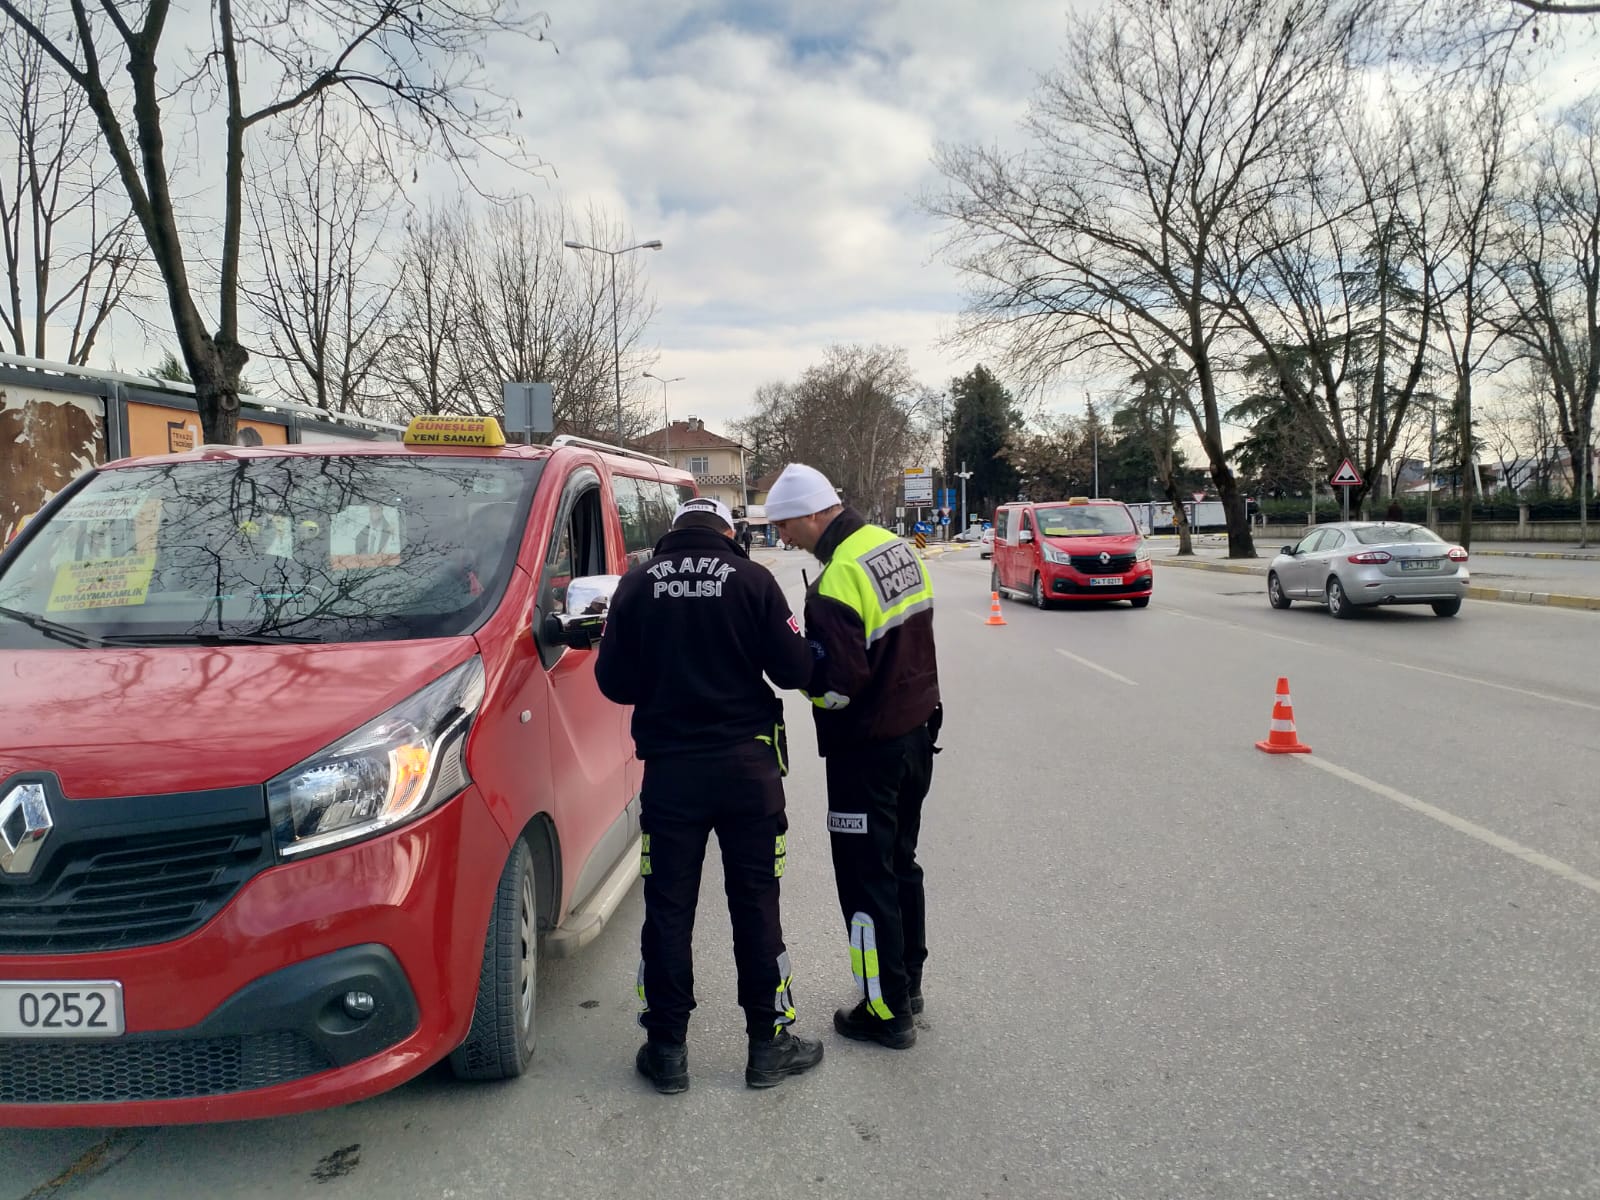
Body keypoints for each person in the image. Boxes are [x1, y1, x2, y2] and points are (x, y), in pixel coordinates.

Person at [594, 494, 826, 1094]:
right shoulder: (752, 579)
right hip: (749, 769)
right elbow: (797, 670)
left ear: (673, 534)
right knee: (756, 902)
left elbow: (613, 682)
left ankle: (667, 1050)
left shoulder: (637, 584)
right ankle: (767, 1046)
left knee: (668, 908)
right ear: (729, 530)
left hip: (672, 774)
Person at [764, 464, 941, 1051]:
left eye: (786, 525)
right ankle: (908, 983)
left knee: (866, 880)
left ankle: (884, 1011)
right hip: (917, 733)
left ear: (814, 513)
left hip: (866, 751)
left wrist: (794, 671)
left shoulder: (837, 580)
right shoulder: (894, 550)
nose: (784, 538)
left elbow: (838, 686)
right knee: (900, 864)